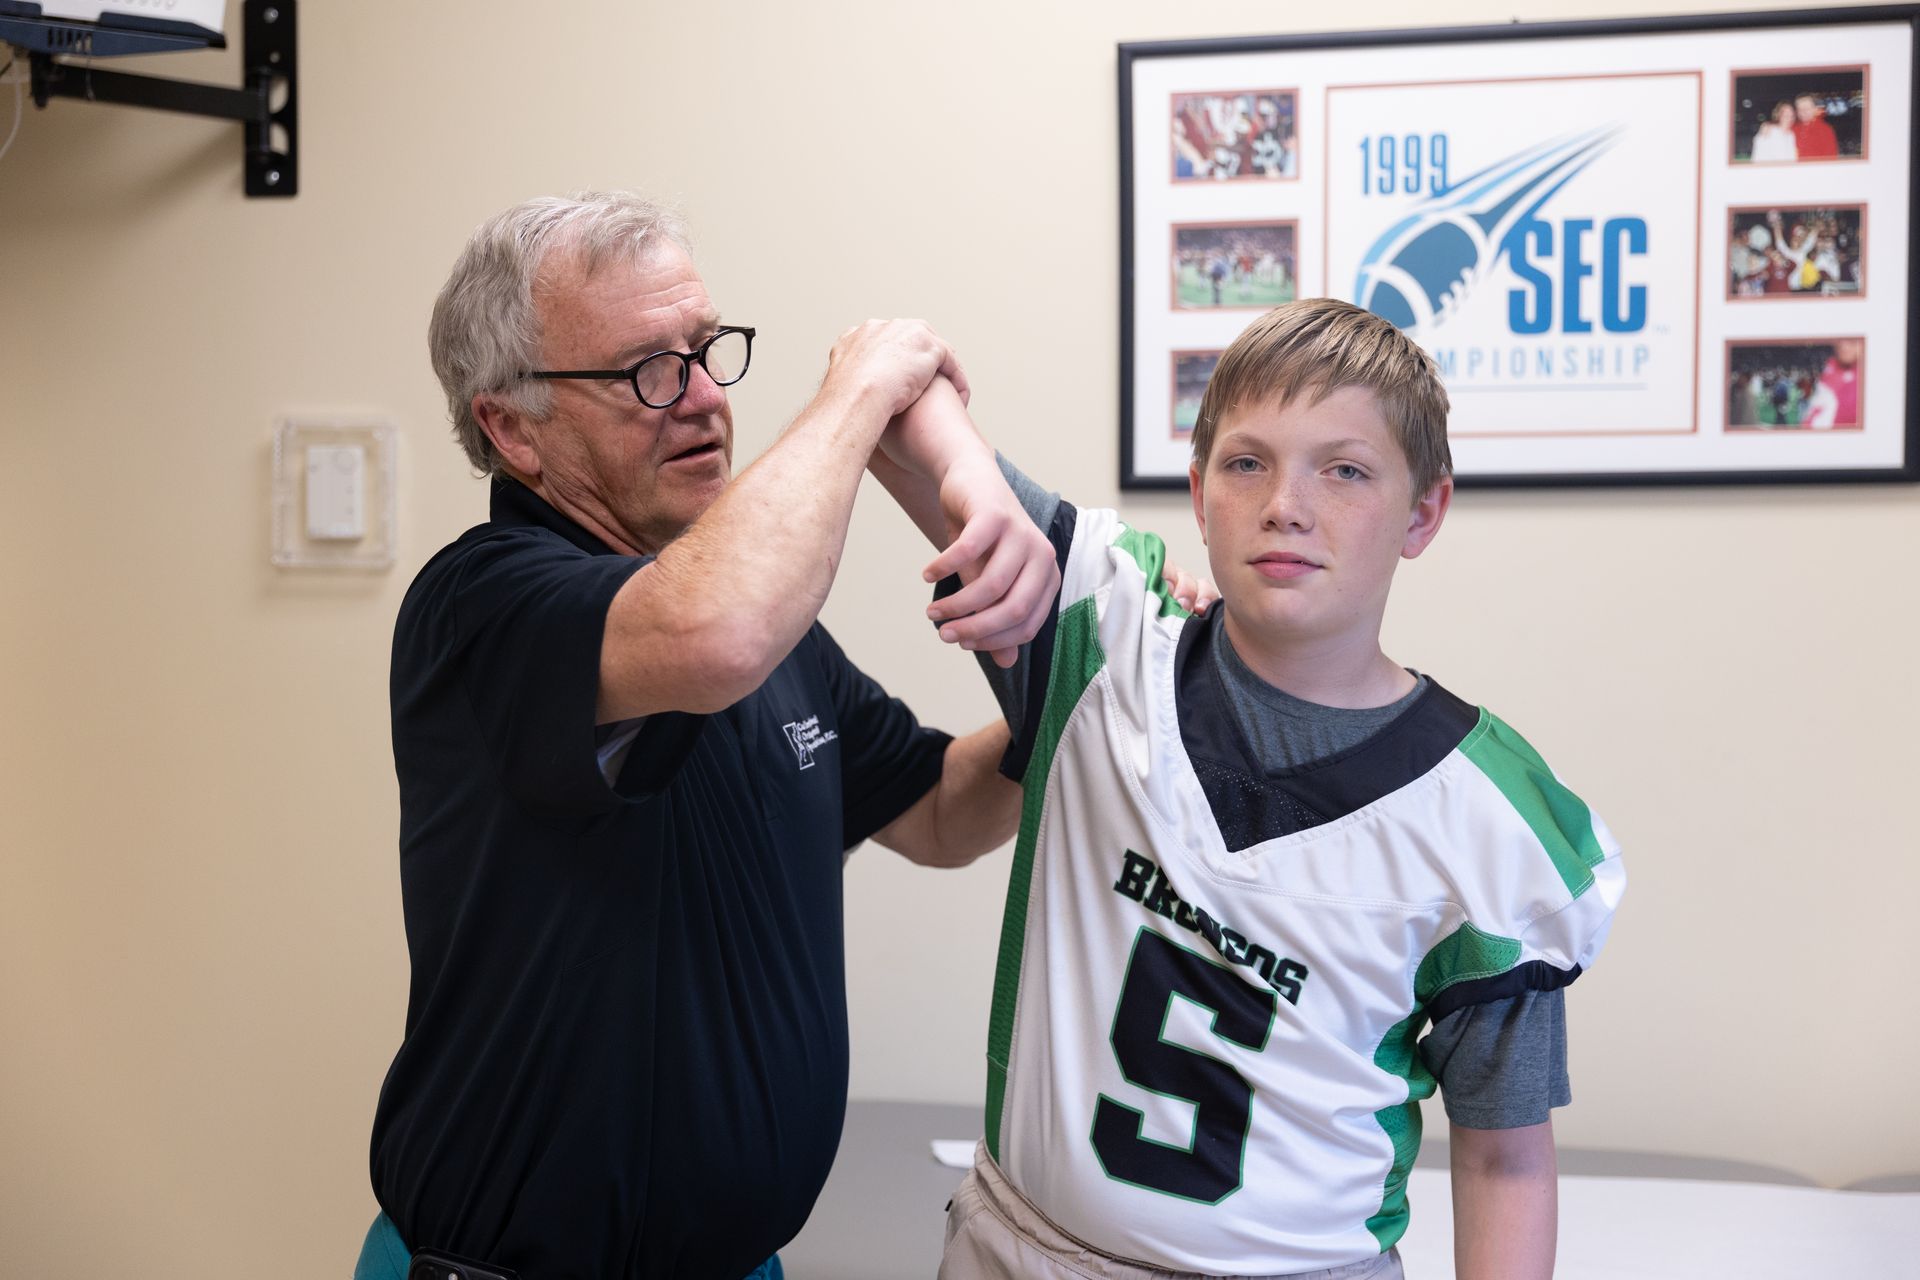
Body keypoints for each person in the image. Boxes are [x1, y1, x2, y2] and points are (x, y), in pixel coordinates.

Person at [355, 190, 1065, 1280]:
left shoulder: (771, 631)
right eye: (647, 369)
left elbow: (933, 807)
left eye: (703, 350)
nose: (699, 398)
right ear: (512, 427)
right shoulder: (487, 604)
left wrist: (1056, 701)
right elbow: (713, 630)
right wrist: (859, 389)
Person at [874, 299, 1626, 1280]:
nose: (1286, 503)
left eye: (1345, 469)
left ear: (1423, 511)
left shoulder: (1488, 819)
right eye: (1246, 462)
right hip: (1026, 1253)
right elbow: (888, 384)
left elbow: (1506, 1153)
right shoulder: (1103, 638)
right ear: (1198, 490)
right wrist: (979, 490)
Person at [1792, 93, 1840, 159]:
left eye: (1807, 108)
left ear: (1815, 109)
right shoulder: (1793, 129)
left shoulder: (1825, 130)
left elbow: (1831, 158)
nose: (1803, 112)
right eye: (1799, 109)